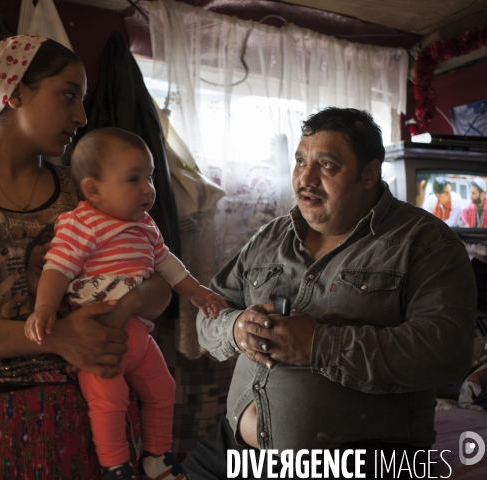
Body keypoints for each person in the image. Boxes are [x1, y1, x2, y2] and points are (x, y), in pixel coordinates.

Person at [0, 36, 173, 479]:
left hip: (86, 420)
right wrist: (56, 337)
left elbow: (156, 282)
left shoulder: (87, 193)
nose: (81, 115)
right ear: (14, 91)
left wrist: (130, 305)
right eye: (67, 94)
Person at [184, 108, 476, 479]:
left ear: (369, 174)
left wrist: (319, 345)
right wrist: (235, 328)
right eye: (300, 161)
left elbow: (446, 351)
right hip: (234, 449)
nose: (305, 179)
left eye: (327, 165)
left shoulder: (425, 243)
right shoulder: (270, 237)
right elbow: (210, 310)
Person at [24, 127, 226, 480]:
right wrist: (44, 309)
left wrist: (196, 291)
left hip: (139, 336)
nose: (148, 188)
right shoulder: (82, 223)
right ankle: (116, 467)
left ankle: (157, 456)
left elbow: (168, 265)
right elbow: (57, 268)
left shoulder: (146, 226)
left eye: (149, 177)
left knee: (164, 389)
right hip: (98, 340)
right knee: (109, 400)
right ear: (93, 189)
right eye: (134, 179)